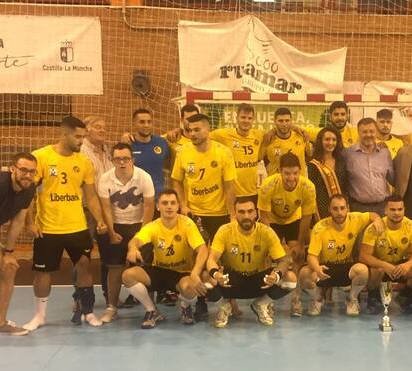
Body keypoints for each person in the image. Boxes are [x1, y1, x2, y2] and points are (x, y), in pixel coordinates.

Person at [23, 116, 108, 331]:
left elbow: (91, 196)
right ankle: (40, 316)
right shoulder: (41, 157)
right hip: (48, 228)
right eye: (78, 137)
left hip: (77, 227)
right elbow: (28, 194)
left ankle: (88, 311)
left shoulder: (84, 162)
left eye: (83, 136)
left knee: (85, 266)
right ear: (64, 134)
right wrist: (30, 223)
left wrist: (100, 220)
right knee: (42, 273)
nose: (82, 141)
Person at [170, 113, 237, 321]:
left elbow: (230, 186)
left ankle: (230, 300)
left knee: (223, 259)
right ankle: (200, 302)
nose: (192, 133)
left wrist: (232, 214)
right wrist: (183, 205)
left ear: (208, 130)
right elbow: (176, 181)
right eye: (189, 130)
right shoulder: (183, 152)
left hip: (220, 214)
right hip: (195, 214)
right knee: (196, 260)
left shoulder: (223, 152)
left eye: (197, 129)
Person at [122, 189, 208, 328]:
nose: (169, 206)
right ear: (158, 206)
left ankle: (185, 306)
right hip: (159, 271)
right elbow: (135, 240)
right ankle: (152, 310)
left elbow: (202, 249)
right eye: (165, 203)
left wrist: (195, 273)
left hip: (181, 273)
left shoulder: (187, 224)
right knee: (128, 275)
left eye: (173, 203)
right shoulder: (153, 226)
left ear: (178, 206)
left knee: (191, 287)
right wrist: (133, 249)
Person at [205, 197, 297, 327]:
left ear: (256, 213)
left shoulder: (266, 232)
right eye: (241, 212)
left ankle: (261, 304)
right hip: (230, 281)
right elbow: (211, 259)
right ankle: (224, 307)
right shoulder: (225, 230)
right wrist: (216, 275)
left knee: (290, 278)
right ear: (235, 214)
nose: (246, 216)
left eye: (250, 211)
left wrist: (276, 275)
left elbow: (284, 261)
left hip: (259, 281)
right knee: (205, 278)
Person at [96, 143, 155, 323]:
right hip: (116, 226)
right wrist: (111, 232)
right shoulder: (105, 179)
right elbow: (106, 209)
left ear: (132, 160)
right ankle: (112, 307)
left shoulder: (144, 177)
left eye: (126, 159)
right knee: (114, 269)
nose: (122, 162)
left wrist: (142, 235)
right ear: (112, 160)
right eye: (118, 159)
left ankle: (151, 307)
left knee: (143, 268)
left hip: (140, 225)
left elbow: (149, 208)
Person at [299, 194, 384, 316]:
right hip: (325, 269)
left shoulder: (355, 219)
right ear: (329, 209)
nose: (339, 212)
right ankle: (317, 299)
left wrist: (377, 220)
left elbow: (372, 215)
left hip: (345, 268)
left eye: (342, 208)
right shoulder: (319, 228)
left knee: (362, 270)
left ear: (348, 208)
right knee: (304, 274)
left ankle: (351, 299)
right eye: (335, 209)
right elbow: (311, 256)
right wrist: (317, 268)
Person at [258, 153, 317, 316]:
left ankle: (296, 298)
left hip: (293, 220)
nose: (291, 177)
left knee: (298, 255)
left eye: (295, 173)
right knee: (268, 256)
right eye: (287, 173)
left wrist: (300, 244)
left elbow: (306, 218)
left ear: (300, 171)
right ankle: (267, 301)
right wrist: (273, 246)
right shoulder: (268, 185)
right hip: (272, 221)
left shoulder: (308, 187)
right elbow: (264, 217)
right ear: (280, 171)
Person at [359, 195, 412, 313]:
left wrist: (408, 264)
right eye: (392, 209)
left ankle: (403, 295)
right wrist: (385, 265)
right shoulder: (374, 228)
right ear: (385, 210)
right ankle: (373, 297)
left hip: (399, 266)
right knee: (377, 270)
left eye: (400, 209)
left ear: (404, 210)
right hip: (379, 266)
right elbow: (364, 256)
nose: (396, 213)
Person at [0, 153, 37, 336]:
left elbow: (18, 221)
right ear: (12, 169)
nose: (28, 175)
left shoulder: (29, 189)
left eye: (32, 171)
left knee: (9, 268)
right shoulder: (1, 185)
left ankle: (0, 322)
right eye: (23, 170)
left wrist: (9, 253)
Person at [79, 115, 112, 307]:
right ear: (87, 130)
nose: (102, 130)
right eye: (98, 127)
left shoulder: (107, 151)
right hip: (86, 209)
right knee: (82, 255)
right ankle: (81, 298)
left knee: (108, 255)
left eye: (104, 127)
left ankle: (110, 297)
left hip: (107, 209)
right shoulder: (81, 152)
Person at [209, 103, 266, 199]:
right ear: (236, 118)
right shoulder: (223, 134)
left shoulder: (259, 135)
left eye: (249, 118)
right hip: (232, 194)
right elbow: (203, 136)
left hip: (252, 192)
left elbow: (274, 133)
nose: (246, 121)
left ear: (253, 120)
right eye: (243, 117)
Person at [338, 117, 394, 214]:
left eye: (371, 131)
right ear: (358, 133)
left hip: (383, 207)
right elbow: (342, 182)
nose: (368, 135)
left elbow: (392, 178)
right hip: (358, 208)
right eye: (364, 132)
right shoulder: (347, 154)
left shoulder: (385, 153)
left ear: (376, 132)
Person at [130, 108, 171, 199]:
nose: (146, 125)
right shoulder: (128, 145)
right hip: (135, 197)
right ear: (134, 124)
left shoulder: (161, 142)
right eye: (142, 122)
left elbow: (169, 166)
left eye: (149, 122)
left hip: (158, 196)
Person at [306, 127, 344, 219]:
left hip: (341, 208)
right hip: (321, 210)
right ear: (320, 142)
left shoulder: (341, 161)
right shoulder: (313, 164)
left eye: (334, 140)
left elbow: (345, 186)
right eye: (327, 139)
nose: (331, 143)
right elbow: (312, 192)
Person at [264, 107, 309, 175]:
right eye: (280, 121)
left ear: (291, 121)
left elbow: (323, 133)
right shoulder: (268, 139)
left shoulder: (301, 135)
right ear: (274, 121)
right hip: (277, 181)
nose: (284, 124)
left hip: (299, 181)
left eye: (287, 120)